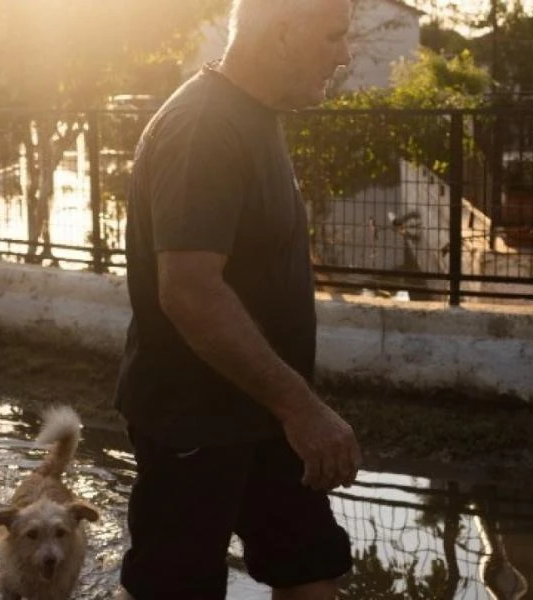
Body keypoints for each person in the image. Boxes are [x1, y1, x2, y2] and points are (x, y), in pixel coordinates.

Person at [113, 0, 361, 598]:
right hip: (196, 421)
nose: (344, 55)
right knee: (176, 587)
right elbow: (190, 290)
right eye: (333, 36)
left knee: (311, 567)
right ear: (280, 35)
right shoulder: (204, 128)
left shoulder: (254, 115)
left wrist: (288, 410)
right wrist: (302, 408)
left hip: (263, 415)